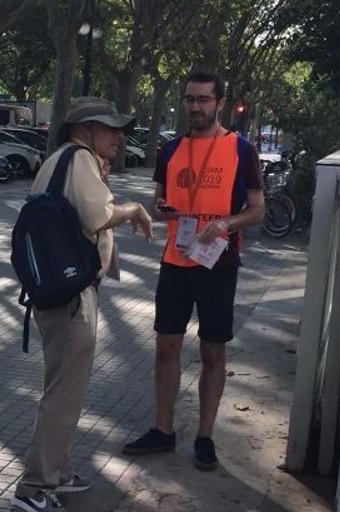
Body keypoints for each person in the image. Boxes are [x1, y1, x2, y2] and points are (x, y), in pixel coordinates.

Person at [12, 97, 153, 512]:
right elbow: (99, 215)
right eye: (111, 129)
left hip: (59, 293)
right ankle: (36, 487)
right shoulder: (79, 158)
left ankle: (61, 471)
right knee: (63, 394)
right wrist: (133, 208)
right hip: (72, 298)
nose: (119, 136)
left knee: (65, 388)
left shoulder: (64, 159)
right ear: (87, 129)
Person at [122, 71, 265, 471]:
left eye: (203, 100)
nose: (195, 107)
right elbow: (158, 202)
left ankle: (205, 436)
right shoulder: (170, 150)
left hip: (219, 262)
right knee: (166, 345)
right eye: (190, 99)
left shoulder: (241, 149)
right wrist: (161, 210)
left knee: (212, 349)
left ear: (219, 102)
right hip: (176, 259)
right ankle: (163, 430)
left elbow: (258, 210)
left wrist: (226, 224)